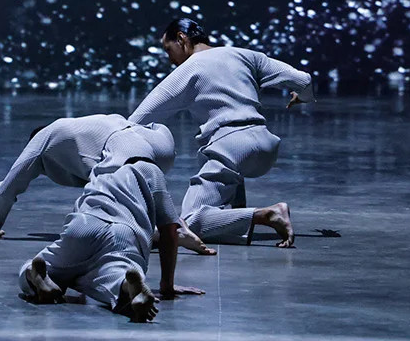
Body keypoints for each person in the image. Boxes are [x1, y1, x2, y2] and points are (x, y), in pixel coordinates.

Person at [128, 16, 314, 247]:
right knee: (222, 161)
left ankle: (267, 214)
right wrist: (302, 98)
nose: (170, 59)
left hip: (231, 147)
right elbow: (303, 80)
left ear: (181, 39)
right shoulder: (246, 55)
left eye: (168, 50)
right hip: (266, 146)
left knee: (189, 223)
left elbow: (138, 119)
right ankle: (236, 213)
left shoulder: (188, 69)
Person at [0, 114, 215, 253]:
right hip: (159, 142)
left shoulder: (44, 138)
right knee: (135, 191)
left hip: (124, 147)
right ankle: (171, 227)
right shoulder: (79, 129)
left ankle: (170, 232)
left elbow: (6, 189)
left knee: (98, 222)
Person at [17, 157, 204, 322]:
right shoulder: (150, 170)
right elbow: (169, 230)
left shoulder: (101, 177)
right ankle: (127, 285)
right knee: (115, 274)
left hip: (83, 224)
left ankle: (34, 274)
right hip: (122, 231)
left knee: (54, 266)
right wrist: (167, 286)